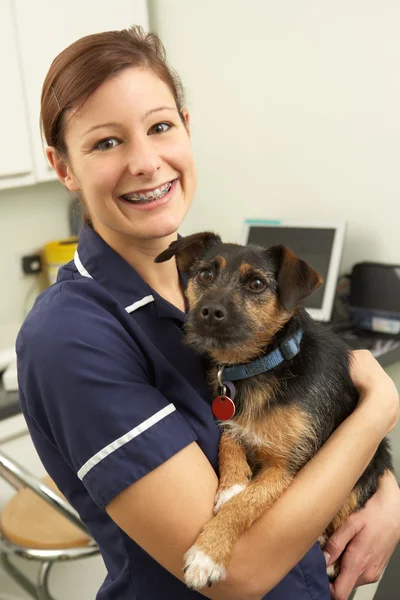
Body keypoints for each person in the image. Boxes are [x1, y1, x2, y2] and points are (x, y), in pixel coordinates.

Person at [16, 25, 400, 600]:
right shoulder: (72, 336)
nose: (146, 162)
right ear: (63, 167)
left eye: (160, 126)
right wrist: (379, 412)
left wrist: (385, 492)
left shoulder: (200, 283)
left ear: (187, 130)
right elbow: (236, 575)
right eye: (106, 142)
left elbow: (307, 422)